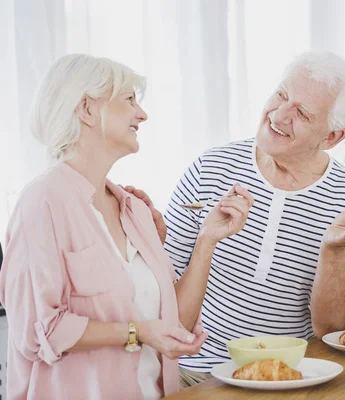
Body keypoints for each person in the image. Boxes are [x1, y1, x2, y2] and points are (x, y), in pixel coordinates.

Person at [0, 54, 253, 399]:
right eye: (129, 100)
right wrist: (138, 332)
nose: (142, 114)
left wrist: (208, 239)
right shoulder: (41, 203)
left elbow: (172, 324)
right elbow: (37, 331)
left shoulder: (134, 209)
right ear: (87, 109)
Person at [163, 50, 345, 386]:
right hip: (195, 373)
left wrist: (333, 251)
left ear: (331, 138)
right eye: (281, 95)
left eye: (303, 113)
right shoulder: (210, 168)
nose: (279, 116)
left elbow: (332, 328)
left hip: (292, 376)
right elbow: (162, 299)